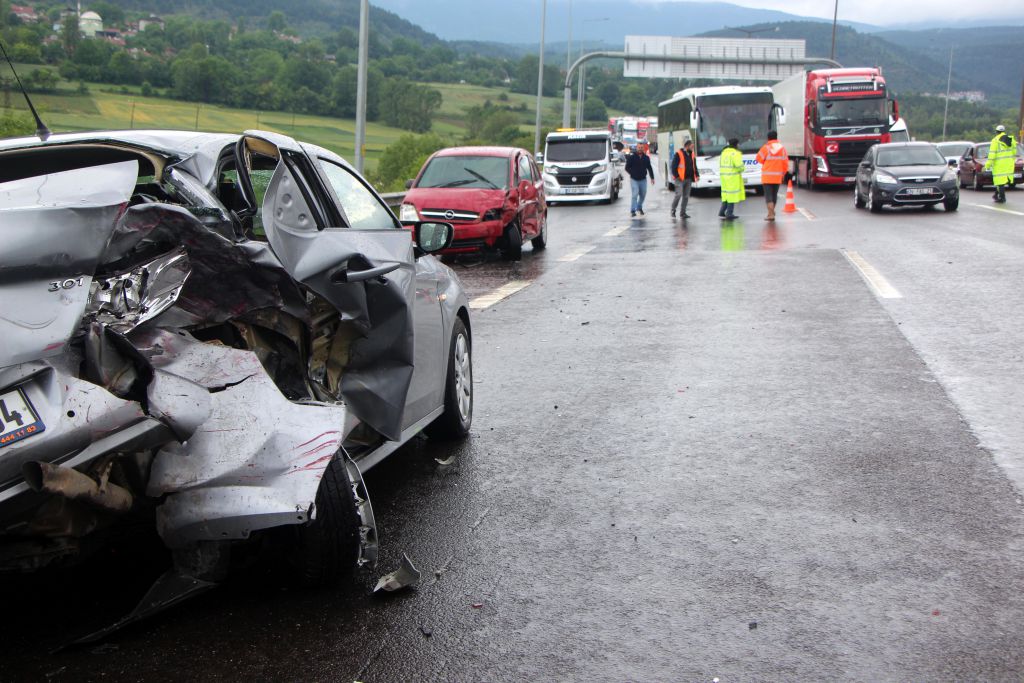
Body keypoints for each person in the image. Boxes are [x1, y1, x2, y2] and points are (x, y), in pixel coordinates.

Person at [754, 130, 789, 221]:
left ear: (768, 138)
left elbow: (758, 159)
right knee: (774, 196)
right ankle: (771, 212)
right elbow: (785, 163)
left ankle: (771, 214)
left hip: (767, 176)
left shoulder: (766, 148)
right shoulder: (782, 149)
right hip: (777, 177)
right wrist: (783, 173)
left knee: (768, 197)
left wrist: (766, 162)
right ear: (776, 137)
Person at [984, 124, 1016, 204]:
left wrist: (987, 165)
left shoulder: (995, 141)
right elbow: (1014, 152)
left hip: (999, 165)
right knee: (1002, 181)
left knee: (1000, 182)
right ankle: (996, 195)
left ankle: (1002, 198)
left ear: (996, 132)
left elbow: (992, 154)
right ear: (1004, 131)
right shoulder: (1011, 140)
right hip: (1009, 164)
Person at [670, 139, 699, 218]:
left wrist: (697, 175)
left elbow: (694, 166)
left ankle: (683, 213)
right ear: (687, 146)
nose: (692, 148)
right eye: (691, 146)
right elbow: (673, 166)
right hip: (680, 179)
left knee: (686, 196)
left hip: (688, 179)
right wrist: (677, 176)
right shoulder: (678, 154)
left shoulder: (692, 154)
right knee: (678, 194)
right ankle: (673, 209)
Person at [718, 137, 745, 219]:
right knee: (731, 195)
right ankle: (729, 213)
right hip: (732, 177)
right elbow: (740, 166)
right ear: (736, 145)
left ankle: (722, 211)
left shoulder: (723, 152)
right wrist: (742, 168)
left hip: (724, 177)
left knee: (726, 195)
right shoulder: (735, 153)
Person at [625, 144, 655, 217]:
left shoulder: (646, 158)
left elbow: (649, 168)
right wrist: (632, 173)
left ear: (643, 148)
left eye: (641, 148)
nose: (640, 149)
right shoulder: (632, 157)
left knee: (643, 194)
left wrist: (652, 178)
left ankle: (639, 207)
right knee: (635, 194)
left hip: (643, 180)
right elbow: (627, 168)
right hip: (634, 179)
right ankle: (633, 210)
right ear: (636, 148)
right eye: (639, 147)